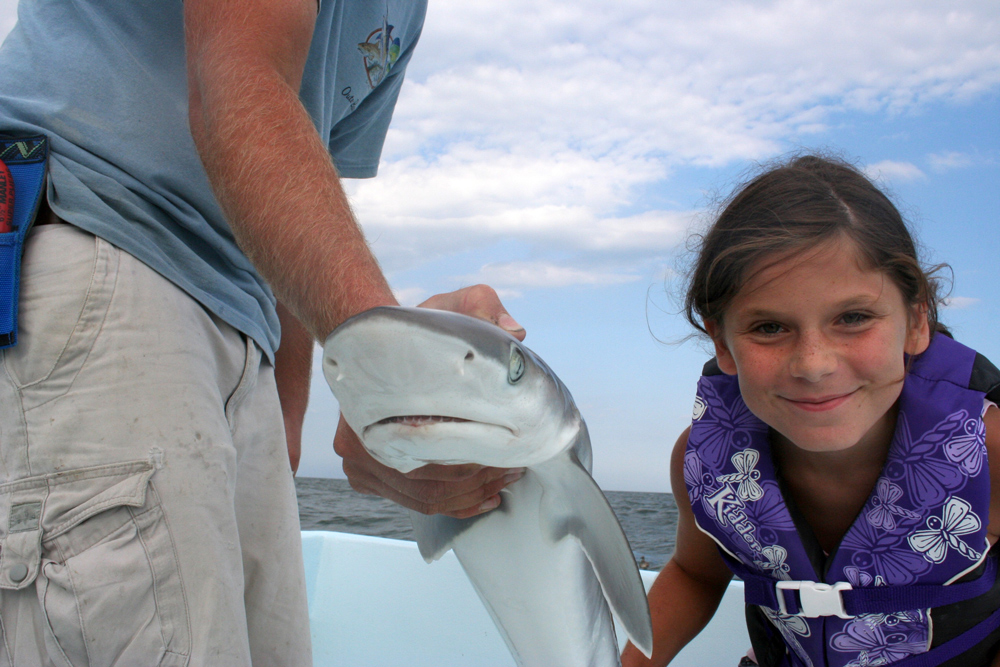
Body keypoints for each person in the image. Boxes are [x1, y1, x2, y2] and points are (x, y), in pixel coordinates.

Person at [0, 2, 524, 665]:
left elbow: (292, 175)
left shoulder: (404, 16)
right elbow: (237, 83)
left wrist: (289, 430)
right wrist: (388, 371)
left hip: (241, 322)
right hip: (97, 231)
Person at [621, 155, 1000, 667]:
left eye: (853, 317)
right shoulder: (703, 462)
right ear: (723, 343)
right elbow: (695, 575)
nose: (813, 365)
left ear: (915, 322)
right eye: (770, 328)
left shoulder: (988, 445)